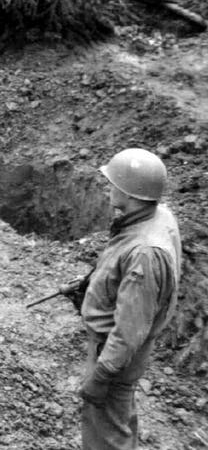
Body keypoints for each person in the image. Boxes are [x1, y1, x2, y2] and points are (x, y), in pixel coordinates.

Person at [58, 148, 181, 449]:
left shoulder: (144, 254)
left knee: (105, 432)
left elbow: (129, 329)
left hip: (114, 355)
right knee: (119, 419)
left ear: (130, 191)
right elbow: (122, 269)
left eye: (114, 183)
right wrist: (91, 283)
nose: (109, 188)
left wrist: (102, 375)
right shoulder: (154, 218)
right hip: (119, 352)